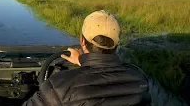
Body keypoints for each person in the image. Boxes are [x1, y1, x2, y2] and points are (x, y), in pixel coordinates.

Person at [23, 10, 151, 106]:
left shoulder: (59, 86)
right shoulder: (139, 80)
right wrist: (82, 61)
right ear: (117, 44)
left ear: (82, 41)